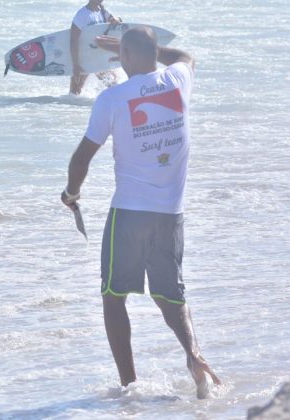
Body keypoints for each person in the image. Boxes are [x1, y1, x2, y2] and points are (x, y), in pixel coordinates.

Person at [61, 27, 222, 398]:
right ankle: (194, 355)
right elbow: (184, 56)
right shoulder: (178, 80)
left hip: (130, 215)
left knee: (113, 297)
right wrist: (135, 48)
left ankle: (129, 384)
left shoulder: (112, 99)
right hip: (171, 214)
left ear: (127, 57)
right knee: (170, 294)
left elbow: (83, 156)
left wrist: (72, 194)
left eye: (122, 56)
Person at [70, 0, 122, 95]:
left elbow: (117, 20)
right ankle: (69, 110)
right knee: (74, 94)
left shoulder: (102, 11)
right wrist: (76, 65)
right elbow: (73, 41)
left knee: (114, 85)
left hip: (99, 57)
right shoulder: (81, 15)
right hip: (85, 58)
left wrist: (117, 19)